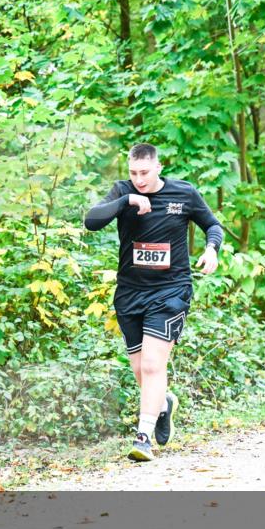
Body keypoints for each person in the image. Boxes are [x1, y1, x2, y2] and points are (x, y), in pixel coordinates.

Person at [84, 143, 224, 461]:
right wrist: (126, 200)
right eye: (133, 173)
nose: (139, 180)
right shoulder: (123, 191)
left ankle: (143, 438)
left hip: (171, 292)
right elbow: (91, 222)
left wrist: (211, 249)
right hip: (130, 293)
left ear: (158, 167)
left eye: (144, 173)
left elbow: (212, 225)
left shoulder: (184, 194)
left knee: (152, 364)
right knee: (139, 370)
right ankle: (162, 405)